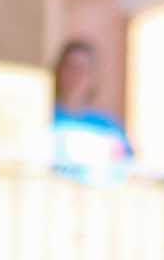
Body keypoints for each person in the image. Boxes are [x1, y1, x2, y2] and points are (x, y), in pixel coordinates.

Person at [49, 39, 133, 180]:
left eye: (84, 69)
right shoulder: (41, 117)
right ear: (59, 70)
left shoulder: (108, 126)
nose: (77, 75)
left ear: (93, 77)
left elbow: (126, 170)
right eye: (71, 67)